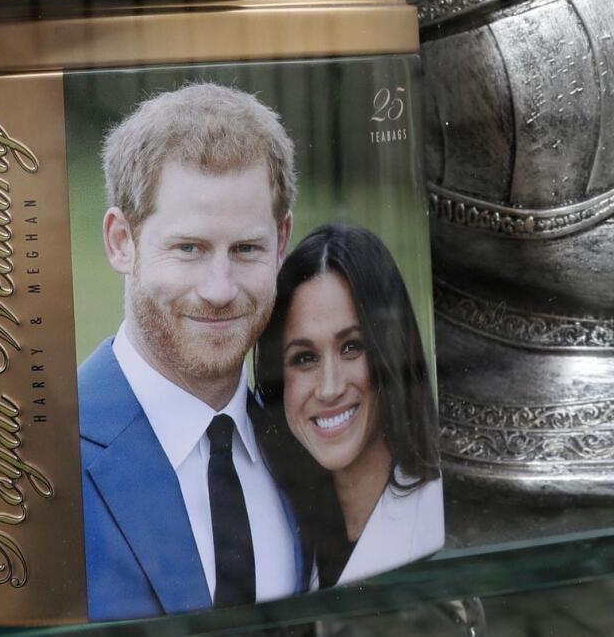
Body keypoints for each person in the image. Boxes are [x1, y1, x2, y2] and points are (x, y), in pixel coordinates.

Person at [78, 82, 309, 621]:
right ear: (121, 241)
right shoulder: (40, 461)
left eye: (246, 249)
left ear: (282, 242)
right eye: (190, 249)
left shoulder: (309, 443)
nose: (220, 289)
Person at [253, 224, 443, 588]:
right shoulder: (283, 536)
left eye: (352, 347)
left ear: (393, 351)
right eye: (304, 357)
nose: (329, 388)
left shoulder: (438, 520)